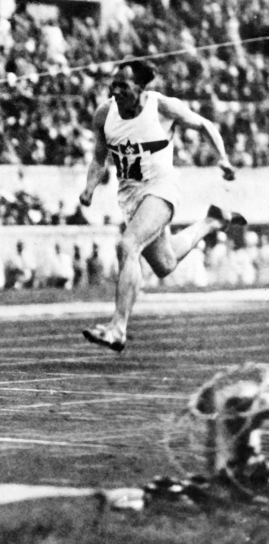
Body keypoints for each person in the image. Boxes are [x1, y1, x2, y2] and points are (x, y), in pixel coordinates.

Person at [79, 61, 246, 352]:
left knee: (128, 244)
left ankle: (117, 327)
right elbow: (98, 157)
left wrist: (223, 158)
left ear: (140, 87)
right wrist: (89, 188)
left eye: (124, 85)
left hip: (162, 188)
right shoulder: (104, 114)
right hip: (131, 195)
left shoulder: (162, 106)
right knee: (165, 264)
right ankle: (212, 221)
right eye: (113, 85)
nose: (117, 91)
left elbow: (204, 124)